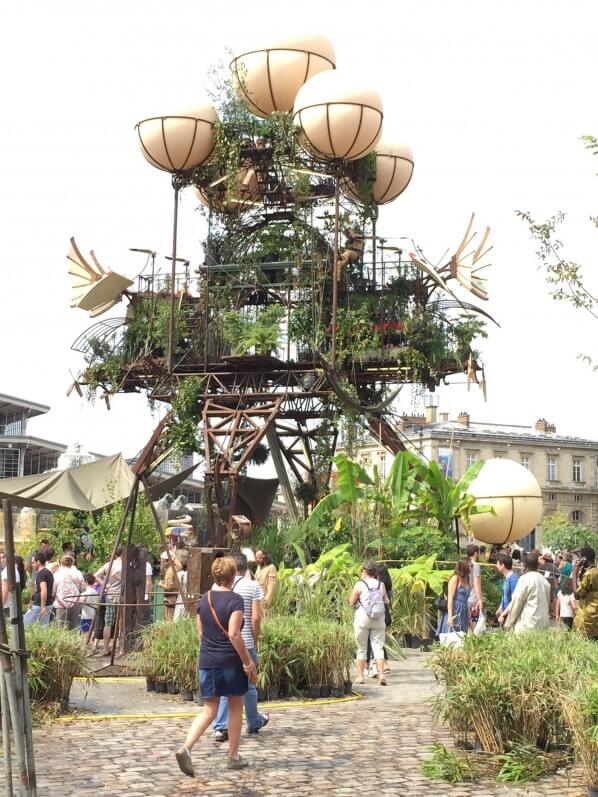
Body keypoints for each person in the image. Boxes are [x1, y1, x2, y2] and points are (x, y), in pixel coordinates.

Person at [175, 556, 257, 777]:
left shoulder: (205, 599)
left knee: (209, 709)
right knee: (235, 706)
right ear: (233, 576)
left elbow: (201, 632)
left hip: (207, 661)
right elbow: (234, 633)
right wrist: (247, 662)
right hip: (230, 662)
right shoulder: (235, 601)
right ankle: (233, 756)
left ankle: (186, 747)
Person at [212, 553, 269, 741]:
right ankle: (253, 721)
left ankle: (220, 726)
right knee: (250, 684)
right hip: (244, 640)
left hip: (224, 642)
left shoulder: (216, 587)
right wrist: (255, 637)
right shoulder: (252, 586)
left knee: (225, 685)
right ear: (244, 568)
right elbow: (255, 617)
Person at [349, 561, 389, 686]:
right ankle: (381, 674)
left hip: (363, 618)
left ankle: (361, 677)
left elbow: (351, 602)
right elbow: (386, 600)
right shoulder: (381, 585)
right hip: (378, 618)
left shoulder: (360, 584)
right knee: (378, 647)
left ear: (364, 571)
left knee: (361, 648)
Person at [501, 553, 551, 633]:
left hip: (527, 626)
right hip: (543, 625)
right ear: (538, 566)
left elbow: (517, 602)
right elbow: (548, 603)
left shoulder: (524, 579)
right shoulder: (545, 581)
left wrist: (508, 623)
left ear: (524, 565)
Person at [94, 547, 123, 656]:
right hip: (121, 596)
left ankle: (106, 648)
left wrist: (104, 584)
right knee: (121, 623)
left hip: (110, 595)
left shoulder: (109, 565)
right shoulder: (125, 565)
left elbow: (96, 575)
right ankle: (121, 649)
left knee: (108, 623)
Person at [438, 559, 471, 635]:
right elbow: (450, 598)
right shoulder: (455, 578)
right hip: (455, 609)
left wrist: (469, 615)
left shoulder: (467, 578)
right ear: (464, 567)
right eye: (470, 566)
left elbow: (467, 599)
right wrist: (450, 616)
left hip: (464, 610)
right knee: (452, 634)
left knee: (462, 634)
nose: (471, 567)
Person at [53, 554, 86, 629]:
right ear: (72, 562)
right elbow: (83, 588)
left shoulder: (58, 574)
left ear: (61, 562)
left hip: (61, 602)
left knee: (61, 627)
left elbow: (53, 590)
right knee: (75, 626)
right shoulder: (77, 573)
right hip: (75, 602)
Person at [573, 546, 598, 640]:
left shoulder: (589, 574)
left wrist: (574, 574)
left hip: (586, 620)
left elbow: (577, 595)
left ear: (584, 559)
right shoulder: (594, 571)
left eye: (580, 558)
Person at [24, 552, 54, 626]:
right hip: (48, 604)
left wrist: (42, 605)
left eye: (33, 562)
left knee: (25, 624)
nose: (32, 564)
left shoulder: (41, 574)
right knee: (43, 628)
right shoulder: (49, 572)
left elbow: (44, 589)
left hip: (39, 605)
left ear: (38, 562)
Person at [495, 553, 519, 622]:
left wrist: (503, 614)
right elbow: (505, 596)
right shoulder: (506, 579)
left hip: (510, 615)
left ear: (502, 565)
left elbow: (515, 600)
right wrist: (500, 609)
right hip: (505, 614)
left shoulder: (513, 579)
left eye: (498, 564)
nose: (496, 566)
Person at [466, 544, 484, 626]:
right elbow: (476, 583)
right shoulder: (475, 565)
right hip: (473, 599)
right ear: (475, 553)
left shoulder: (463, 563)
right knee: (474, 624)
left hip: (464, 598)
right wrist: (480, 599)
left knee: (467, 624)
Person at [255, 550, 277, 615]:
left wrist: (267, 599)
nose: (256, 559)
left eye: (258, 558)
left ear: (264, 557)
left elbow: (271, 585)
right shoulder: (259, 567)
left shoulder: (271, 568)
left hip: (264, 599)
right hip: (257, 598)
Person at [159, 550, 178, 621]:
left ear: (168, 561)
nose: (162, 563)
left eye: (163, 561)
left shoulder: (170, 571)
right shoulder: (175, 569)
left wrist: (161, 585)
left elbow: (170, 586)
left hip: (170, 598)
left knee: (168, 619)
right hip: (173, 597)